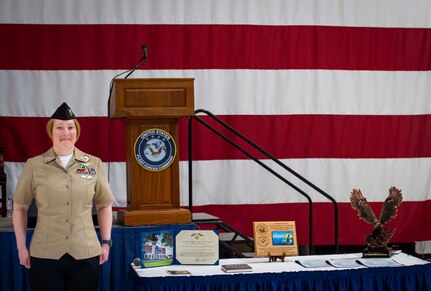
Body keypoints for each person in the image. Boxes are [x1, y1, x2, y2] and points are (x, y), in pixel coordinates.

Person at [12, 102, 114, 291]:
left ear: (77, 132)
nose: (65, 132)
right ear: (50, 132)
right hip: (45, 255)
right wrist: (21, 247)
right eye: (59, 127)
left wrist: (106, 242)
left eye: (70, 127)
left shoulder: (94, 164)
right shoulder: (34, 165)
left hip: (86, 254)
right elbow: (19, 208)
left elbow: (104, 206)